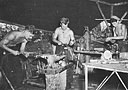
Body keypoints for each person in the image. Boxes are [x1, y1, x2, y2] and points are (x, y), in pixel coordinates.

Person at [0, 25, 34, 89]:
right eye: (30, 35)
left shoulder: (25, 39)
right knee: (6, 70)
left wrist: (24, 54)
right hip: (3, 49)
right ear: (26, 31)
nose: (30, 37)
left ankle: (16, 86)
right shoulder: (13, 35)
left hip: (12, 50)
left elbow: (21, 50)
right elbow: (1, 44)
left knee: (17, 68)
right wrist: (12, 51)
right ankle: (5, 87)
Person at [52, 17, 75, 89]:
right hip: (59, 48)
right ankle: (58, 83)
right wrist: (57, 42)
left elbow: (72, 40)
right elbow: (53, 39)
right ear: (60, 23)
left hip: (67, 48)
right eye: (63, 24)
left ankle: (68, 84)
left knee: (69, 65)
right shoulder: (57, 30)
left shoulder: (70, 31)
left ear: (68, 24)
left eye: (66, 25)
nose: (64, 26)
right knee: (58, 65)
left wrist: (72, 42)